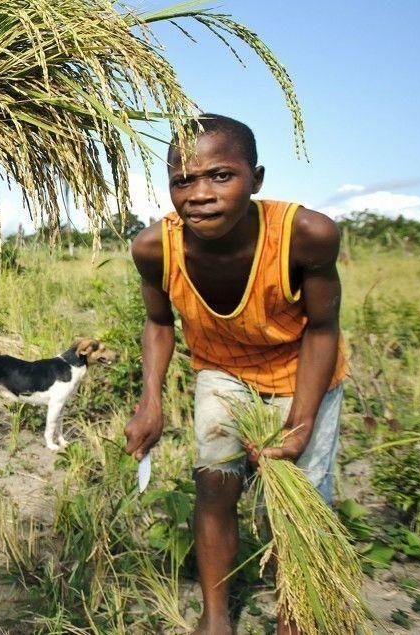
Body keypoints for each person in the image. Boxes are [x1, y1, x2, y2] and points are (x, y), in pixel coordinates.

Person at [122, 114, 349, 635]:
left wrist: (301, 422)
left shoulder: (305, 235)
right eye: (183, 180)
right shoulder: (155, 248)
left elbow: (323, 329)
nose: (200, 194)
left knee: (297, 506)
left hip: (301, 371)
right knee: (214, 487)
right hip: (223, 370)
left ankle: (298, 616)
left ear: (256, 178)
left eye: (221, 176)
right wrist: (150, 400)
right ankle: (216, 617)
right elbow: (159, 323)